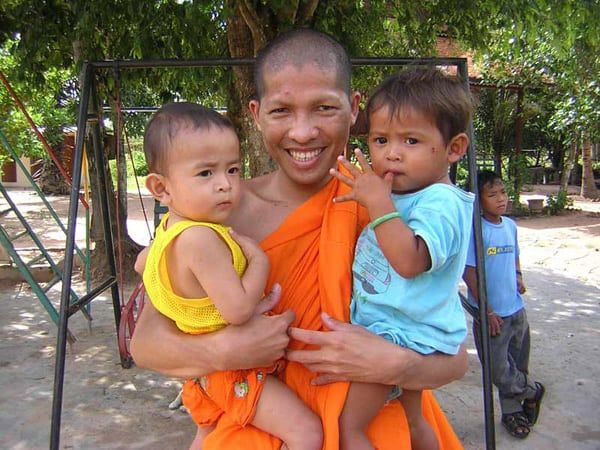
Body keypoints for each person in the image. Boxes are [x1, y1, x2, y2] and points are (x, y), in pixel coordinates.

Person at [131, 28, 467, 450]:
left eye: (324, 107)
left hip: (371, 426)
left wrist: (393, 362)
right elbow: (145, 344)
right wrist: (228, 349)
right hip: (261, 431)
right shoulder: (216, 216)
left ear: (353, 108)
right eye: (281, 111)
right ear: (256, 113)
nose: (303, 132)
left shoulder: (388, 211)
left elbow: (455, 359)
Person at [140, 102, 323, 450]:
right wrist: (259, 263)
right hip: (232, 371)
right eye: (206, 173)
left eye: (233, 170)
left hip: (202, 378)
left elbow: (142, 266)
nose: (225, 184)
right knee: (307, 433)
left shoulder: (170, 231)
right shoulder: (201, 238)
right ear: (161, 189)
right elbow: (237, 311)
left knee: (207, 437)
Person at [331, 69, 474, 450]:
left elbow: (409, 262)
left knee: (351, 430)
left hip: (398, 335)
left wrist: (377, 203)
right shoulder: (407, 193)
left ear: (454, 148)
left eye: (410, 140)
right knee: (415, 420)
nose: (391, 152)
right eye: (380, 140)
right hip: (402, 327)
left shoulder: (441, 203)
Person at [462, 170, 545, 440]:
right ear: (478, 200)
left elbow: (516, 256)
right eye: (492, 194)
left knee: (518, 364)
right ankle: (532, 391)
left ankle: (513, 411)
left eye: (503, 192)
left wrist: (519, 276)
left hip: (516, 310)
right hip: (492, 315)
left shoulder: (509, 225)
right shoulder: (475, 231)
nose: (501, 199)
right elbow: (470, 272)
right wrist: (486, 310)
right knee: (499, 369)